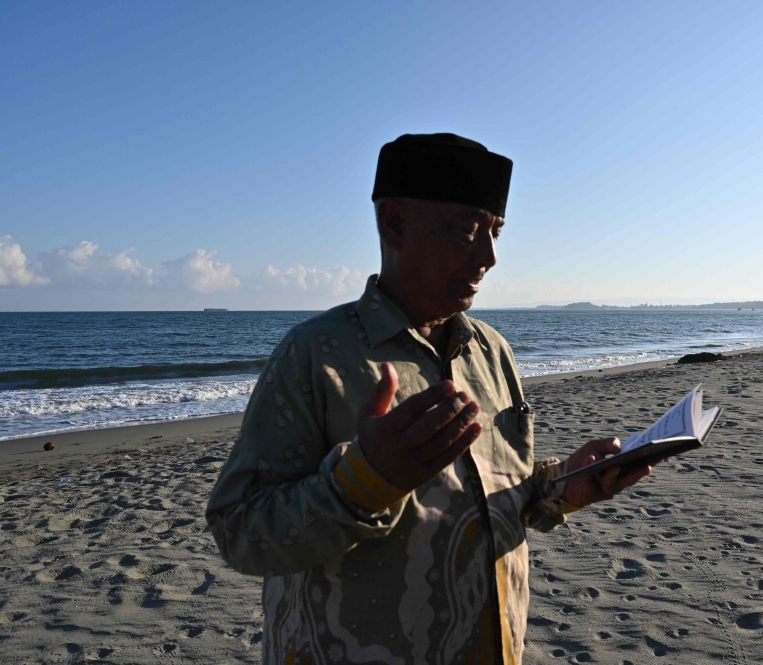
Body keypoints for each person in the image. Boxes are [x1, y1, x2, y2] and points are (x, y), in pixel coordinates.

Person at [206, 133, 654, 665]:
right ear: (395, 224)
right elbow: (239, 530)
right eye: (467, 231)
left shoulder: (492, 350)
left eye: (496, 233)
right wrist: (363, 482)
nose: (489, 257)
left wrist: (564, 486)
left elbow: (497, 493)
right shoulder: (314, 354)